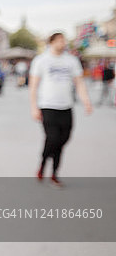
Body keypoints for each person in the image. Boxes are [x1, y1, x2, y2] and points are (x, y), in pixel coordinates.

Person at [29, 32, 93, 186]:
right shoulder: (41, 60)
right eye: (59, 40)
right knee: (52, 138)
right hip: (48, 106)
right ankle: (46, 166)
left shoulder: (71, 61)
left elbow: (79, 82)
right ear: (51, 42)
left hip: (66, 106)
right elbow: (33, 85)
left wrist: (86, 101)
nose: (62, 43)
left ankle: (53, 171)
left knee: (64, 138)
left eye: (64, 40)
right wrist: (34, 107)